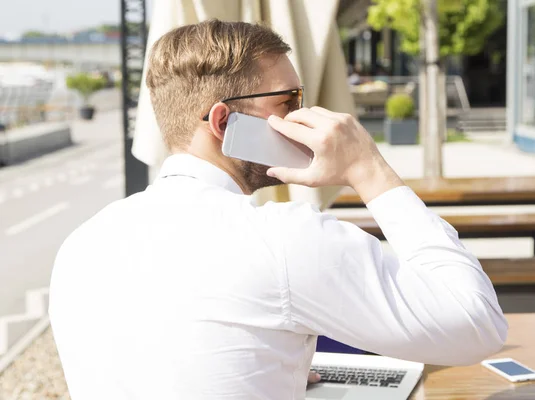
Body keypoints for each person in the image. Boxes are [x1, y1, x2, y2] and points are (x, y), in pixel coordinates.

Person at [49, 20, 507, 400]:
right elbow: (476, 325)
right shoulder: (283, 238)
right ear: (224, 122)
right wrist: (369, 169)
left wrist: (266, 363)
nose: (305, 117)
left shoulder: (83, 242)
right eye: (289, 102)